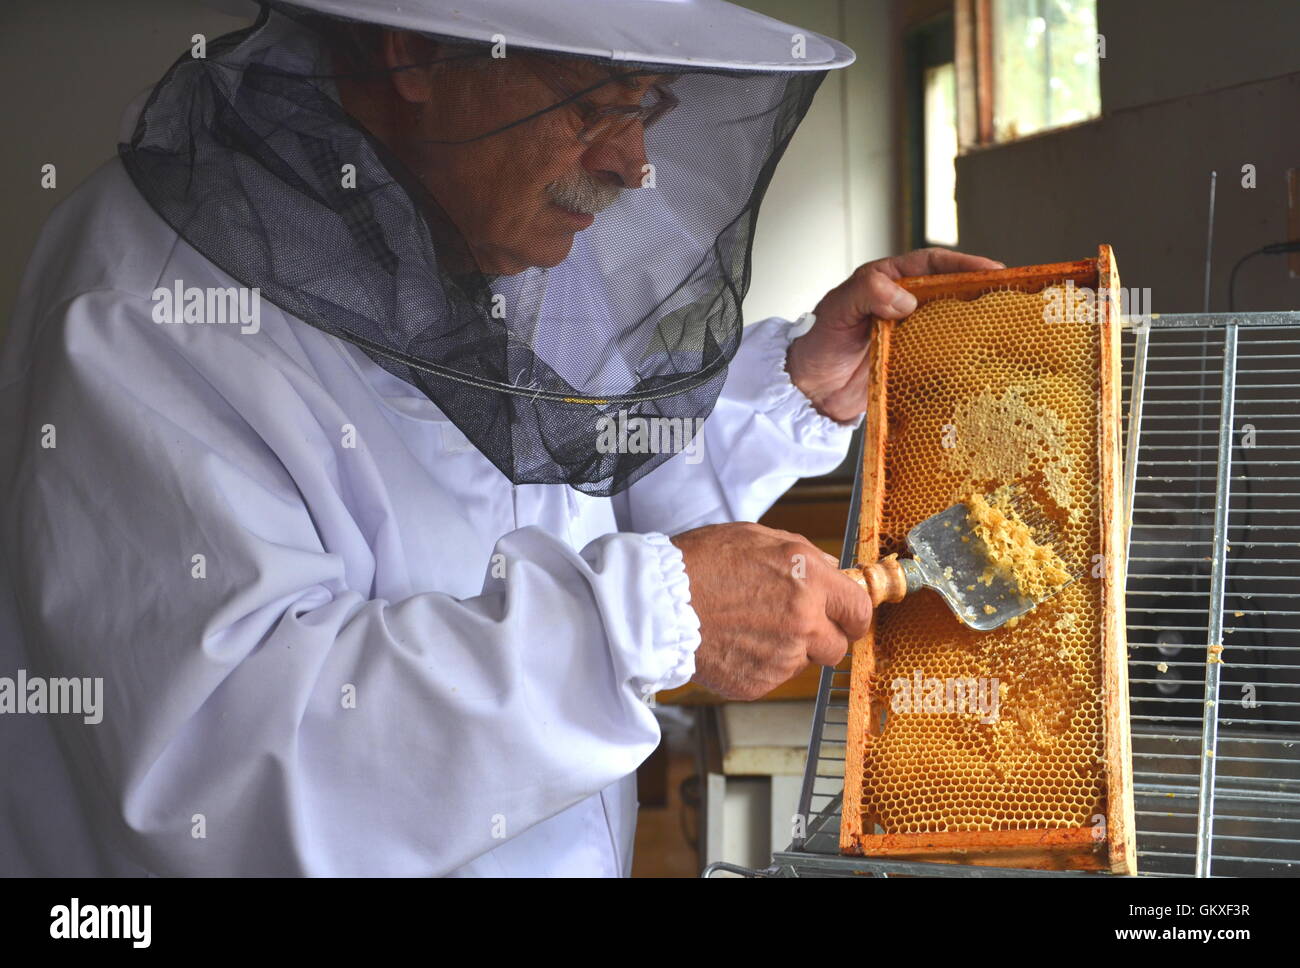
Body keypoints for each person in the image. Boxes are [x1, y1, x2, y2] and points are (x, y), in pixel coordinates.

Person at [0, 0, 1002, 875]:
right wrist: (639, 622)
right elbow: (223, 774)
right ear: (413, 55)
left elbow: (600, 481)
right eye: (593, 103)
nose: (632, 162)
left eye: (646, 103)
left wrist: (794, 389)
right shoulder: (150, 306)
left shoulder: (506, 232)